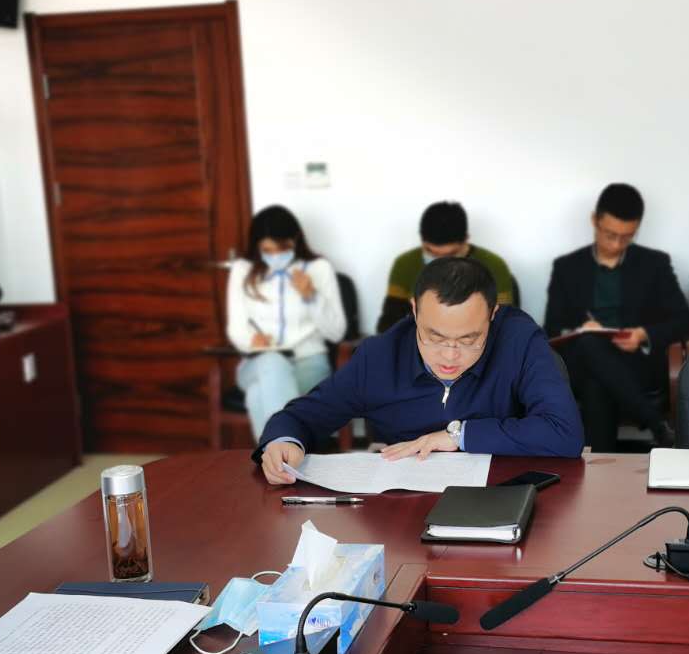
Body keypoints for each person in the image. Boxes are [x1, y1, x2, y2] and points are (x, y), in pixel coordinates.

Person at [257, 256, 582, 483]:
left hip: (502, 494)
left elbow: (564, 433)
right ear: (414, 311)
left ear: (492, 315)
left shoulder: (518, 340)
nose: (450, 356)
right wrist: (283, 443)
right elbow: (299, 418)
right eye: (434, 337)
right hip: (405, 508)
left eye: (469, 339)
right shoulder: (379, 357)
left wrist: (459, 436)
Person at [544, 183, 689, 451]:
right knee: (589, 343)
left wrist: (643, 334)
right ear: (595, 221)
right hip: (579, 360)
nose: (616, 244)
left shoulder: (655, 264)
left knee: (596, 383)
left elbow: (683, 320)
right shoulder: (567, 267)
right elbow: (552, 328)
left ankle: (597, 468)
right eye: (610, 234)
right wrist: (578, 330)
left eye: (626, 237)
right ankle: (656, 423)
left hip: (635, 363)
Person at [227, 206, 347, 437]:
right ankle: (291, 445)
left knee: (257, 394)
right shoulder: (243, 271)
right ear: (257, 247)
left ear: (296, 240)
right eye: (267, 250)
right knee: (272, 362)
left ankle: (272, 454)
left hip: (308, 363)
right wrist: (251, 341)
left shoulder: (318, 269)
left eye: (282, 248)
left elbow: (336, 332)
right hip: (257, 363)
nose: (275, 256)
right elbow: (236, 328)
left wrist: (311, 297)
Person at [376, 201, 516, 333]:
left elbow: (503, 324)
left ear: (466, 240)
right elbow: (390, 321)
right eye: (431, 252)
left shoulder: (494, 266)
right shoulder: (405, 264)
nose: (440, 261)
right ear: (422, 241)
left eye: (450, 254)